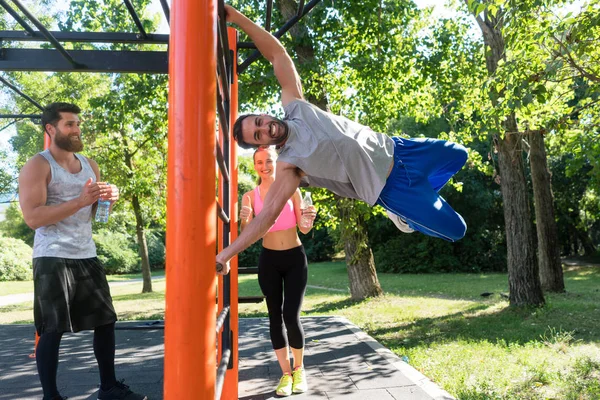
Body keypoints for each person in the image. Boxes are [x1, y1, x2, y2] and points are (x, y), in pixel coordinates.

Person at [216, 5, 468, 273]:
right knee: (457, 229)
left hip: (401, 150)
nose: (265, 129)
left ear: (264, 115)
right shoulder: (290, 166)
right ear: (262, 145)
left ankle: (419, 197)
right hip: (390, 188)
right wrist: (227, 254)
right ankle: (405, 217)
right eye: (258, 136)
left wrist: (236, 17)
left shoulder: (295, 105)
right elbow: (266, 216)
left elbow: (277, 54)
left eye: (259, 122)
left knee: (459, 154)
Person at [18, 102, 147, 400]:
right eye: (69, 124)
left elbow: (96, 217)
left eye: (77, 123)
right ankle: (51, 396)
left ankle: (108, 387)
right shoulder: (38, 165)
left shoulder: (89, 164)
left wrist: (107, 200)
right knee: (52, 328)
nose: (76, 129)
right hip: (52, 257)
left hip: (85, 254)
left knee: (106, 321)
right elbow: (33, 218)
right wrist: (78, 200)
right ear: (51, 129)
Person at [239, 147, 316, 396]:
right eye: (259, 162)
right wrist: (244, 220)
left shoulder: (291, 189)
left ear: (276, 162)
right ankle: (285, 374)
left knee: (291, 315)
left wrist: (308, 220)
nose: (265, 165)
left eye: (269, 160)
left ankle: (299, 369)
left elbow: (304, 229)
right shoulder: (249, 197)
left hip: (295, 258)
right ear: (255, 166)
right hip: (269, 261)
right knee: (274, 317)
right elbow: (249, 235)